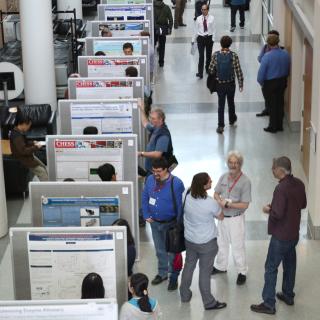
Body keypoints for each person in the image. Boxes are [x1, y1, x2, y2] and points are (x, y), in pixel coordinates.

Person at [250, 157, 307, 315]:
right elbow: (302, 204)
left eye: (273, 168)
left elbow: (277, 214)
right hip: (293, 234)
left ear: (281, 170)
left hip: (281, 236)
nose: (272, 170)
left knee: (270, 268)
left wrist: (268, 209)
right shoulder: (299, 184)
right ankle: (288, 295)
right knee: (290, 265)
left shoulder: (281, 189)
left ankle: (269, 303)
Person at [180, 172, 227, 311]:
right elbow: (221, 217)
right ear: (204, 186)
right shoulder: (210, 203)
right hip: (207, 243)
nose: (211, 181)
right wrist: (220, 203)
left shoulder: (186, 194)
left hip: (190, 240)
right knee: (205, 273)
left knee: (188, 266)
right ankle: (209, 302)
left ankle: (184, 294)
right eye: (209, 181)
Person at [142, 157, 185, 291]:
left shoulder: (176, 183)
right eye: (154, 171)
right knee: (160, 250)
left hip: (171, 225)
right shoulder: (149, 180)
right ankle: (162, 273)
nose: (155, 174)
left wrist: (179, 225)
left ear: (166, 169)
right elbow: (145, 197)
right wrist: (146, 214)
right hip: (155, 223)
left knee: (172, 253)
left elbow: (180, 206)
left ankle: (173, 277)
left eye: (159, 171)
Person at [212, 150, 251, 285]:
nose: (233, 165)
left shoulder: (245, 182)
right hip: (222, 217)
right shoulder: (223, 177)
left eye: (236, 163)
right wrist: (219, 201)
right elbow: (216, 193)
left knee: (237, 246)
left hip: (236, 219)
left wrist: (229, 204)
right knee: (221, 243)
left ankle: (242, 271)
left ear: (240, 164)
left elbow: (245, 204)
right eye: (230, 162)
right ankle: (221, 266)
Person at [208, 35, 243, 134]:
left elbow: (210, 69)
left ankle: (220, 126)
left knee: (221, 105)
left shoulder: (215, 55)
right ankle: (232, 120)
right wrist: (241, 84)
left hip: (220, 84)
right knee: (231, 102)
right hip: (230, 84)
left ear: (221, 44)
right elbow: (238, 71)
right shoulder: (234, 55)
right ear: (230, 44)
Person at [257, 34, 291, 133]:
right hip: (282, 81)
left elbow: (261, 74)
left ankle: (272, 126)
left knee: (271, 105)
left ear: (268, 44)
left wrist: (262, 83)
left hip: (270, 84)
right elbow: (288, 68)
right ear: (278, 42)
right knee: (280, 103)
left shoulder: (267, 57)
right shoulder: (285, 54)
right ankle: (279, 125)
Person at [9, 111, 48, 181]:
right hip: (23, 159)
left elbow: (24, 143)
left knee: (43, 167)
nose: (29, 128)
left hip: (27, 156)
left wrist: (33, 143)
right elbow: (23, 151)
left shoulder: (18, 132)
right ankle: (47, 191)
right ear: (24, 124)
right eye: (29, 125)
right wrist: (36, 147)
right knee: (42, 172)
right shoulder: (16, 136)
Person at [137, 105, 174, 175]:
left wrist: (141, 153)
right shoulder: (156, 128)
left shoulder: (163, 135)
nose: (151, 120)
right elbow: (145, 123)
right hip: (152, 170)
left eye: (153, 119)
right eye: (151, 118)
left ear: (161, 119)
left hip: (158, 173)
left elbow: (157, 154)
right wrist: (141, 109)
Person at [256, 30, 281, 117]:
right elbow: (259, 58)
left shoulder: (280, 51)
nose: (269, 39)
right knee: (266, 95)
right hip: (265, 76)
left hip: (274, 77)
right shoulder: (265, 47)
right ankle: (267, 109)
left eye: (271, 37)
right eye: (268, 37)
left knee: (274, 98)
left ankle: (273, 113)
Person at [192, 3, 215, 79]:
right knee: (201, 56)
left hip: (209, 38)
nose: (203, 11)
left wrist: (213, 39)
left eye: (205, 9)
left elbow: (214, 29)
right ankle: (200, 72)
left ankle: (207, 69)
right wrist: (193, 40)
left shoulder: (212, 18)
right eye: (202, 9)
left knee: (208, 56)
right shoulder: (198, 18)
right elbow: (195, 30)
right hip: (200, 38)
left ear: (208, 10)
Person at [154, 0, 173, 67]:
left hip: (154, 28)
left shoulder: (152, 7)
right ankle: (161, 62)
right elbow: (170, 19)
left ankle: (151, 61)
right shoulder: (166, 7)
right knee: (162, 46)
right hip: (163, 28)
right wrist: (170, 28)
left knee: (152, 45)